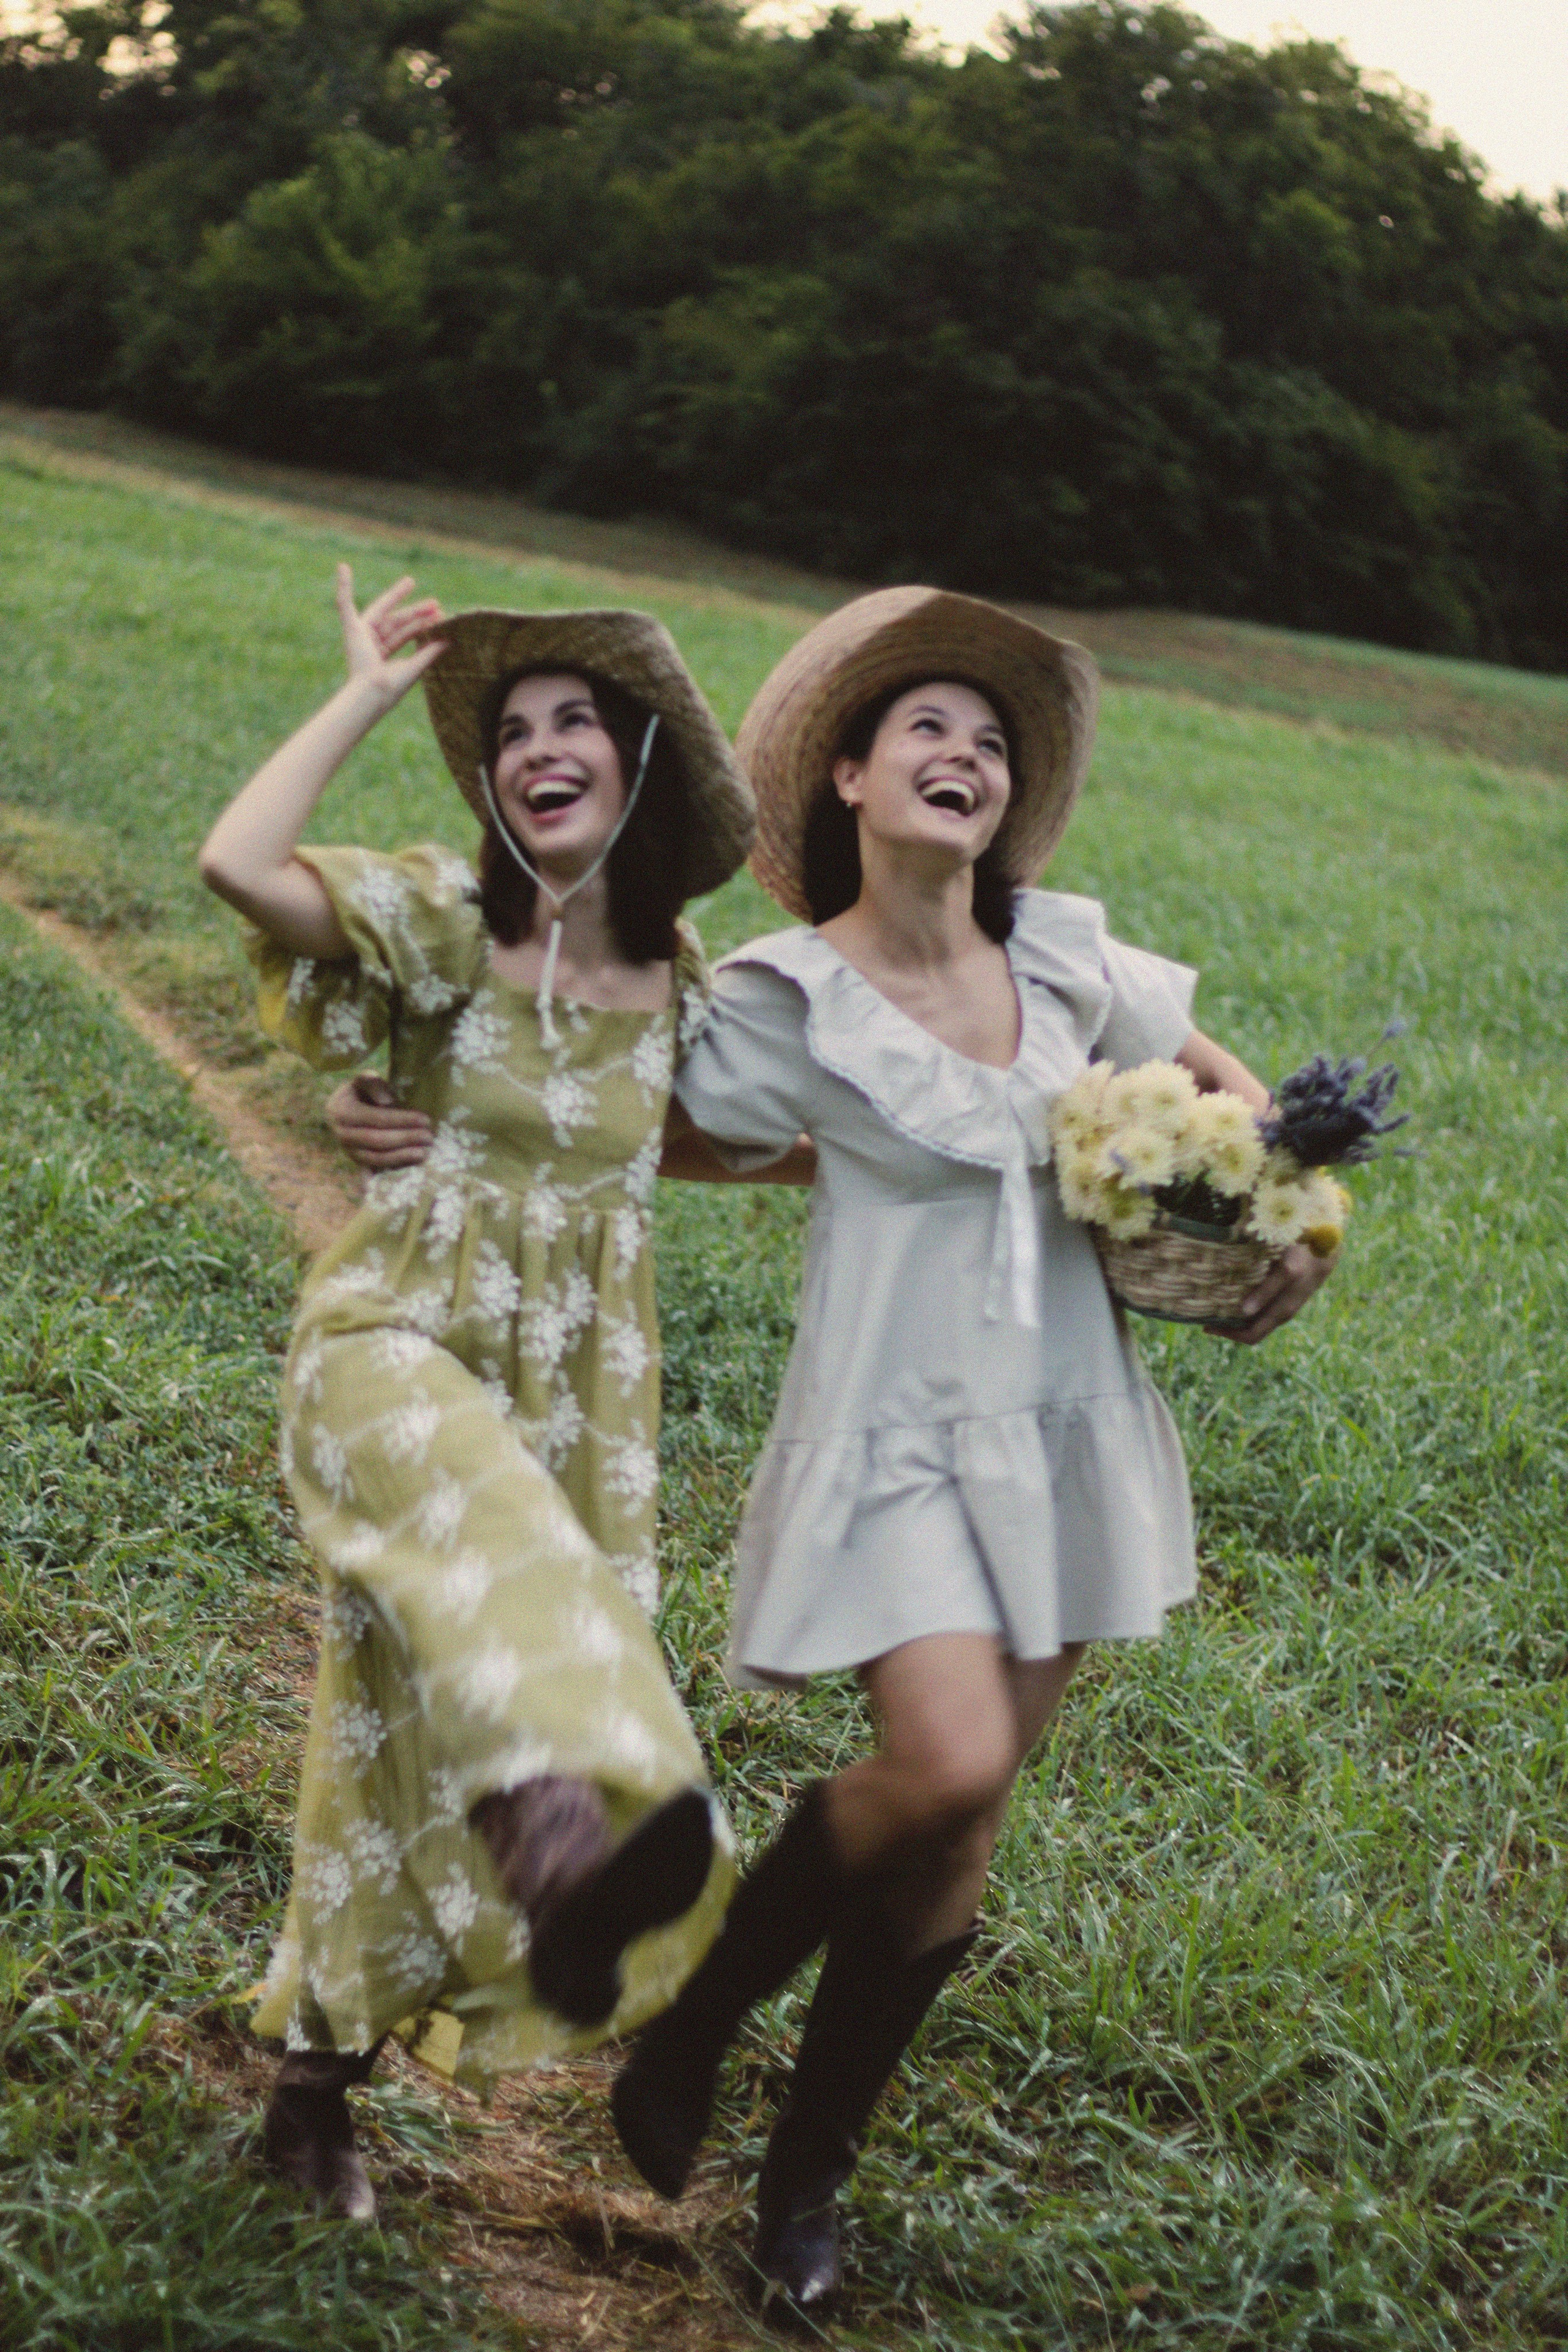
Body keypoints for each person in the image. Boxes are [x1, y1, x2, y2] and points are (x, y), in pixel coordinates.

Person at [331, 587, 1335, 2314]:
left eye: (993, 741)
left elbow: (1249, 1115)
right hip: (896, 1436)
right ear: (852, 780)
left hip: (1073, 1430)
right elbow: (613, 1111)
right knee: (941, 1769)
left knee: (960, 1832)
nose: (967, 754)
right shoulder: (789, 997)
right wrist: (400, 1103)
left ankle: (803, 2190)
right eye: (928, 730)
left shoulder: (1076, 961)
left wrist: (1291, 1226)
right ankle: (706, 2006)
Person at [197, 567, 757, 2222]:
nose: (537, 748)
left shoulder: (684, 983)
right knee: (515, 1587)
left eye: (575, 720)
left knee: (405, 1710)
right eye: (511, 733)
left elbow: (721, 1147)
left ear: (638, 760)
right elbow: (238, 867)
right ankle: (575, 1840)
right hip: (395, 1342)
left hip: (577, 1401)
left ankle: (315, 2078)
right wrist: (368, 687)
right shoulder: (452, 922)